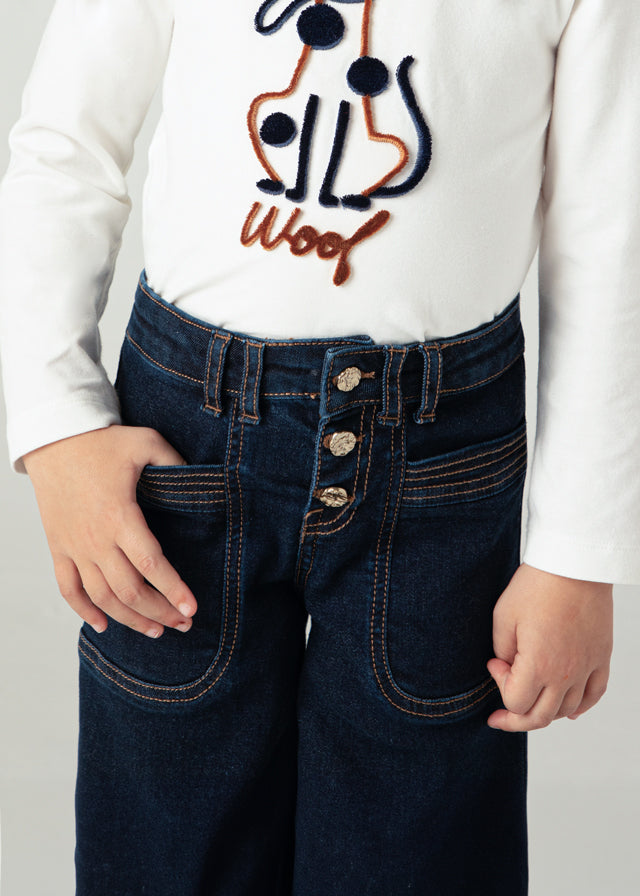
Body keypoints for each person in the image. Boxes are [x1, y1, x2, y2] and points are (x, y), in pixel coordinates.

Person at [0, 1, 636, 894]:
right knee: (168, 841)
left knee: (421, 849)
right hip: (188, 442)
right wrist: (58, 424)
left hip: (442, 463)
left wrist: (577, 553)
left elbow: (611, 229)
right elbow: (67, 143)